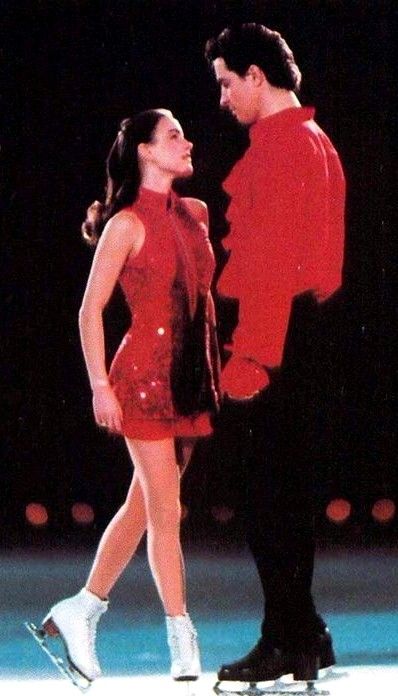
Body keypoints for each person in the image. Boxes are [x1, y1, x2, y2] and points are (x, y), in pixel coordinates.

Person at [31, 108, 221, 686]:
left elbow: (202, 304)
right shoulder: (124, 225)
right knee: (167, 510)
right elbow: (90, 311)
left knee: (144, 504)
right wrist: (98, 385)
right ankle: (182, 638)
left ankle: (82, 609)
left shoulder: (196, 213)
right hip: (140, 378)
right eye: (173, 136)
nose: (187, 144)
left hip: (189, 380)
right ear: (143, 150)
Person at [204, 24, 345, 685]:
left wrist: (252, 358)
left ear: (257, 76)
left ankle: (286, 637)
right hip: (306, 333)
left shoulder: (284, 148)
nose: (224, 97)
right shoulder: (312, 141)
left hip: (278, 339)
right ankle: (303, 634)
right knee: (282, 498)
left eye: (228, 82)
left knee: (267, 502)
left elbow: (270, 263)